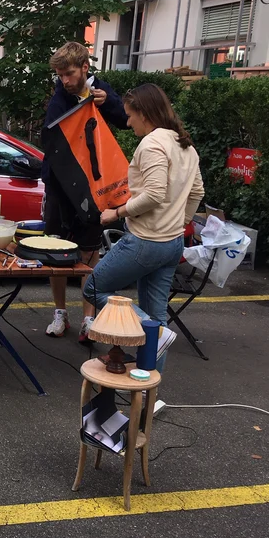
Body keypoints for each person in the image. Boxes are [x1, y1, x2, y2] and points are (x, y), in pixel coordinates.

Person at [83, 83, 205, 377]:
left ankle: (153, 334)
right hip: (172, 243)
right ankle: (149, 390)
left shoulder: (152, 144)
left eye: (129, 116)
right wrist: (176, 222)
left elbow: (153, 195)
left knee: (94, 288)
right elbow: (197, 191)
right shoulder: (183, 143)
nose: (128, 122)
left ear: (145, 114)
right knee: (157, 316)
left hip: (145, 242)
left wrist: (116, 213)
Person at [41, 41, 129, 343]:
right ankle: (60, 314)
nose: (64, 80)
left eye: (69, 74)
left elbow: (127, 121)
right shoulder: (58, 98)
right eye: (60, 75)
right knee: (55, 254)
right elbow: (49, 135)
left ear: (85, 68)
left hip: (92, 190)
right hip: (58, 189)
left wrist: (110, 103)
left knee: (89, 255)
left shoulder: (102, 92)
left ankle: (88, 320)